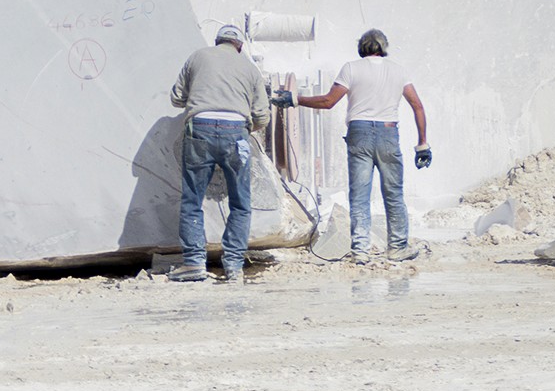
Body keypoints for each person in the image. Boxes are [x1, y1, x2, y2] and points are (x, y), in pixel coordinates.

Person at [289, 29, 430, 263]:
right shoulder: (398, 70)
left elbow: (327, 101)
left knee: (360, 195)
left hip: (359, 133)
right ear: (383, 47)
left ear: (362, 47)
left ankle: (360, 251)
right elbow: (417, 106)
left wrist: (295, 99)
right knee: (393, 193)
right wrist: (422, 144)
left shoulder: (351, 68)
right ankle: (397, 248)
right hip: (388, 133)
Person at [169, 22, 270, 283]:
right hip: (236, 132)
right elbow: (262, 116)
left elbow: (177, 97)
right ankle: (234, 265)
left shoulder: (198, 57)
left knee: (192, 200)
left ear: (217, 41)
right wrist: (247, 129)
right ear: (239, 46)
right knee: (240, 203)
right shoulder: (249, 67)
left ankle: (193, 263)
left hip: (199, 128)